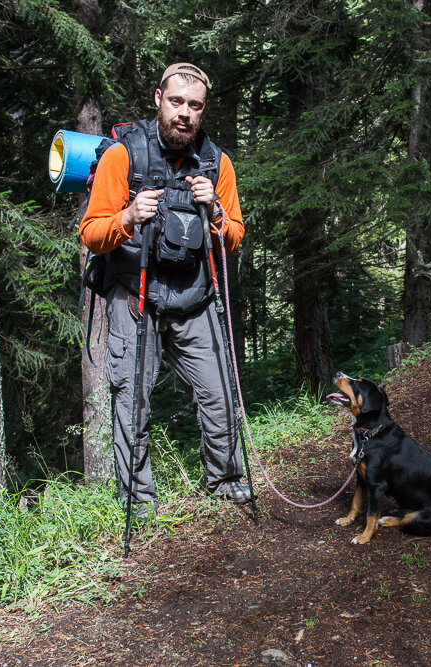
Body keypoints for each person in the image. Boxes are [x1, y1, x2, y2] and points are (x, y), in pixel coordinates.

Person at [80, 62, 252, 515]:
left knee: (219, 394)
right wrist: (127, 217)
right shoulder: (124, 155)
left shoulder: (218, 164)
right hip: (135, 298)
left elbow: (233, 237)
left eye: (194, 106)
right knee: (131, 403)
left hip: (195, 299)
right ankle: (138, 501)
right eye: (176, 102)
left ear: (203, 111)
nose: (184, 114)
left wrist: (214, 210)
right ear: (159, 99)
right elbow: (91, 232)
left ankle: (227, 480)